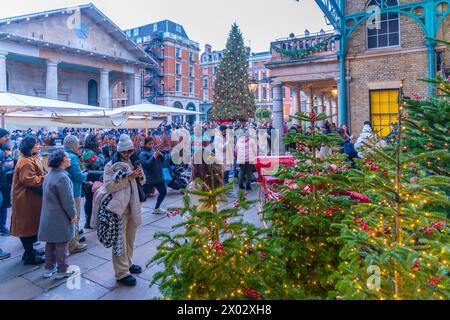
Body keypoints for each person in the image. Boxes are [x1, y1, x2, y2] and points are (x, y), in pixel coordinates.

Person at [98, 134, 145, 286]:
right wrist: (128, 178)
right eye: (124, 152)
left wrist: (139, 174)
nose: (127, 155)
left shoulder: (134, 161)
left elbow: (143, 182)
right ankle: (121, 273)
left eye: (130, 151)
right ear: (119, 152)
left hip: (133, 206)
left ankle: (128, 264)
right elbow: (109, 187)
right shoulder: (110, 165)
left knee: (130, 240)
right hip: (119, 208)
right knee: (120, 242)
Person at [38, 150, 78, 279]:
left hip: (48, 217)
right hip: (59, 217)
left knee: (50, 244)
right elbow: (67, 200)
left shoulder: (50, 174)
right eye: (67, 157)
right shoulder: (62, 177)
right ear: (61, 161)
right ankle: (62, 270)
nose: (69, 159)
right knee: (61, 246)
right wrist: (73, 215)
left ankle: (48, 268)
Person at [10, 136, 45, 265]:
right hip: (25, 200)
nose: (39, 146)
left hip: (29, 199)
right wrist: (45, 178)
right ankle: (30, 256)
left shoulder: (29, 159)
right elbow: (29, 180)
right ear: (29, 147)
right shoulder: (25, 161)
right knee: (27, 228)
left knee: (31, 226)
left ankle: (29, 252)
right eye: (36, 144)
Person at [64, 135, 88, 254]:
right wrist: (85, 175)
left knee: (71, 217)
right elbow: (78, 175)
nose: (79, 146)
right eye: (78, 144)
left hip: (68, 191)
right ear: (74, 146)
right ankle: (73, 245)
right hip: (74, 191)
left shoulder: (64, 154)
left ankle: (74, 238)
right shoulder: (72, 157)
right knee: (75, 217)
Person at [82, 134, 105, 229]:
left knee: (95, 199)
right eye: (97, 139)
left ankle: (93, 221)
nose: (99, 141)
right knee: (90, 199)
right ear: (91, 141)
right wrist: (100, 153)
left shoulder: (91, 151)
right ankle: (88, 222)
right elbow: (99, 162)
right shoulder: (87, 152)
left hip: (95, 176)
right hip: (90, 177)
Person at [139, 136, 167, 214]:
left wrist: (161, 155)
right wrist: (154, 156)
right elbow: (146, 164)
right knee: (141, 195)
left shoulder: (154, 150)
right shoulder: (142, 153)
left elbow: (163, 161)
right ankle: (134, 210)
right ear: (144, 144)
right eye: (149, 144)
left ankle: (157, 208)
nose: (151, 145)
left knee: (163, 192)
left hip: (159, 177)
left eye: (152, 143)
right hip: (149, 179)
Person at [0, 129, 14, 235]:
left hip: (4, 185)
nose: (7, 138)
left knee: (4, 206)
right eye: (5, 136)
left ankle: (2, 227)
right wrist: (8, 166)